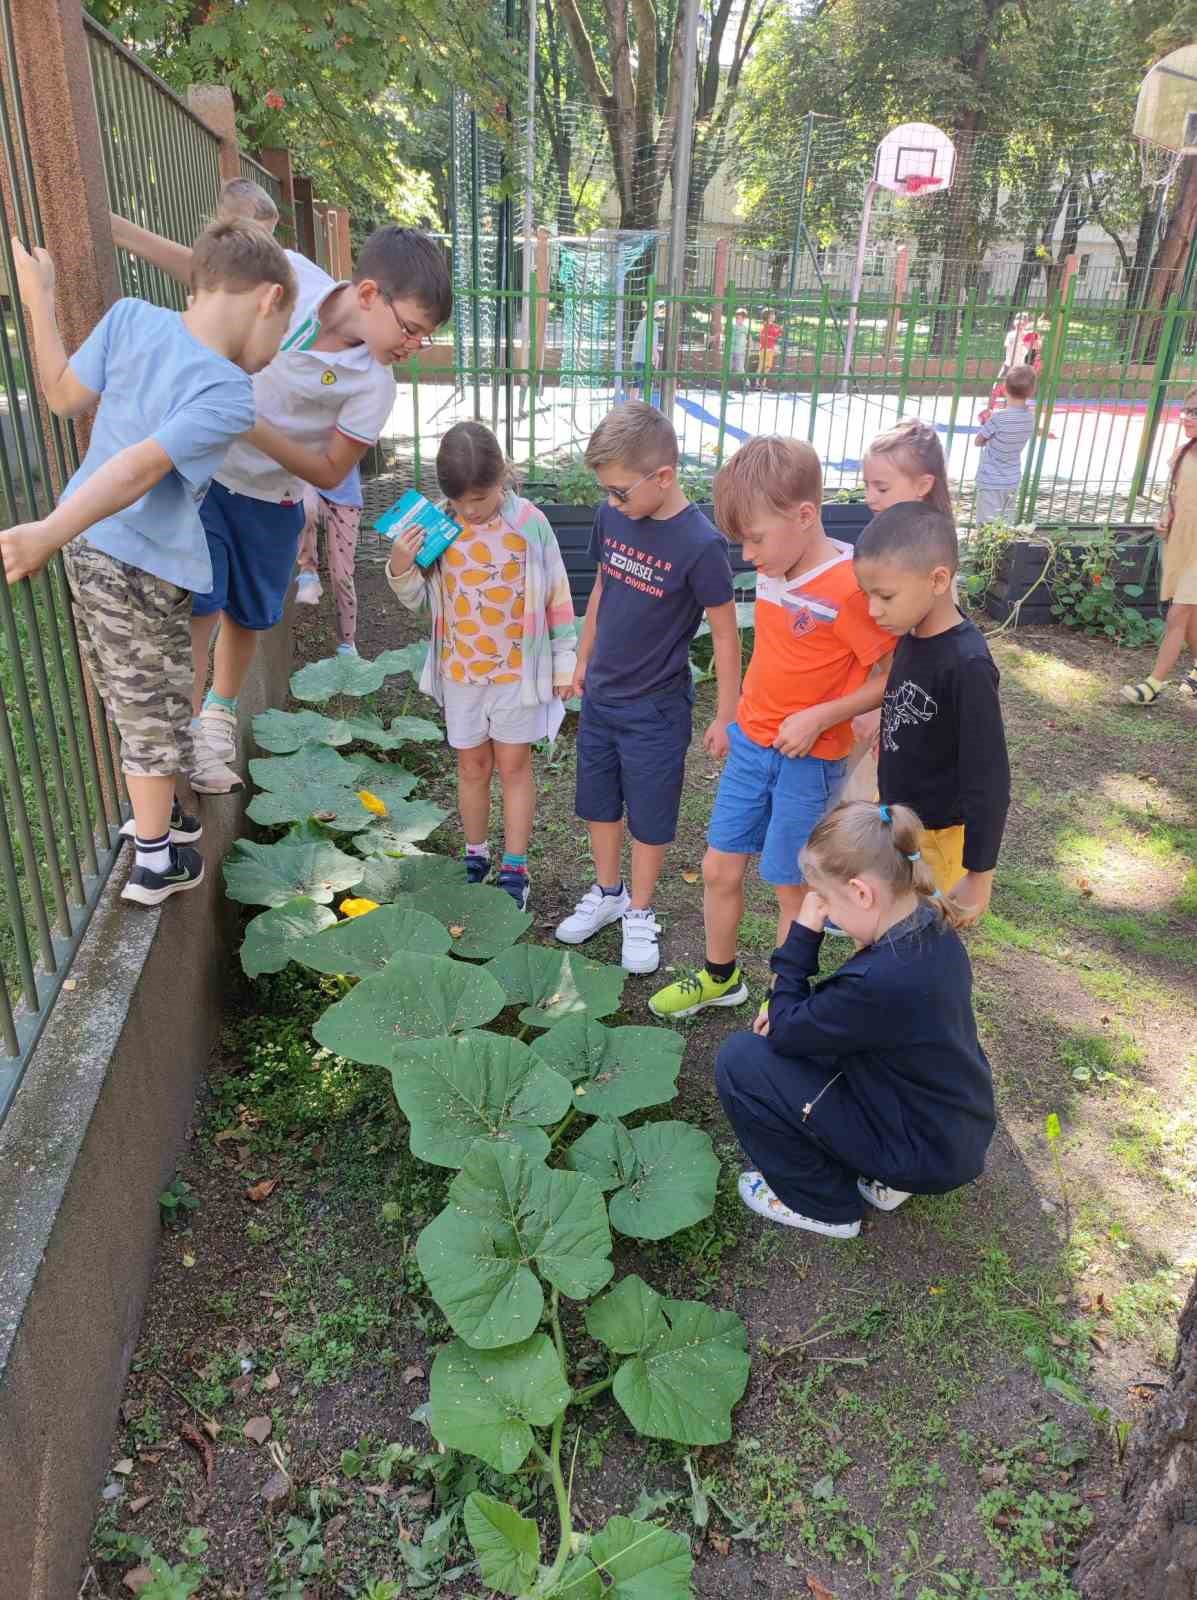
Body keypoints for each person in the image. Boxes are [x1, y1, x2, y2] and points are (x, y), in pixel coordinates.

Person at [0, 222, 295, 904]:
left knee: (134, 695)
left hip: (86, 546)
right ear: (267, 298)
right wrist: (43, 533)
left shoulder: (130, 317)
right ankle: (155, 861)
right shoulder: (227, 390)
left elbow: (62, 396)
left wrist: (37, 299)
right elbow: (139, 469)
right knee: (157, 710)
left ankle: (167, 819)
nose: (272, 354)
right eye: (281, 335)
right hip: (139, 563)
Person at [113, 216, 452, 793]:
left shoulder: (374, 384)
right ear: (370, 294)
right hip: (207, 474)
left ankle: (220, 712)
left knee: (247, 615)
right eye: (412, 329)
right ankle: (189, 732)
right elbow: (209, 276)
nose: (415, 347)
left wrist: (245, 419)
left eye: (425, 336)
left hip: (275, 496)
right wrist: (118, 230)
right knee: (201, 604)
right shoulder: (290, 276)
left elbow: (328, 470)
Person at [648, 437, 894, 1021]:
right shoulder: (775, 568)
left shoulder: (849, 585)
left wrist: (819, 717)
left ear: (804, 516)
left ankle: (784, 1001)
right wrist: (731, 716)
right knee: (717, 867)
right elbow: (775, 657)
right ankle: (720, 976)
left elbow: (888, 678)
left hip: (810, 761)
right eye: (743, 542)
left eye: (756, 539)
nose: (749, 554)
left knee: (792, 887)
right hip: (752, 749)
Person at [714, 800, 995, 1238]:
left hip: (921, 1151)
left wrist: (802, 938)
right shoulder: (932, 921)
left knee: (741, 1059)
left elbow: (785, 1029)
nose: (821, 909)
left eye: (824, 899)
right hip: (954, 1126)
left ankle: (823, 1205)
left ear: (863, 893)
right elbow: (836, 1023)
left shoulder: (876, 981)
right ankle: (887, 1175)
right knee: (822, 1050)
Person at [555, 402, 739, 975]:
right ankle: (607, 894)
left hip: (657, 708)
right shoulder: (614, 518)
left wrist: (727, 712)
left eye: (619, 491)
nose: (611, 502)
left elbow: (728, 635)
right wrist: (582, 656)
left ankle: (639, 908)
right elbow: (604, 589)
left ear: (663, 476)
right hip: (603, 697)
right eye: (607, 491)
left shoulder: (700, 543)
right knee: (599, 802)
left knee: (651, 814)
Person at [386, 421, 576, 909]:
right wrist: (401, 563)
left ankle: (514, 866)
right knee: (472, 766)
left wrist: (564, 661)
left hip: (518, 673)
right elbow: (417, 602)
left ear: (504, 477)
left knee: (514, 766)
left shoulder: (530, 523)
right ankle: (476, 855)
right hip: (461, 674)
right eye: (462, 502)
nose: (472, 510)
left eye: (481, 498)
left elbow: (557, 593)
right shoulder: (435, 528)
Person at [853, 501, 1010, 922]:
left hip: (939, 836)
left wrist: (979, 873)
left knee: (925, 938)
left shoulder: (968, 664)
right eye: (867, 595)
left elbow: (988, 776)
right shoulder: (912, 633)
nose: (873, 610)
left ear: (938, 579)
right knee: (888, 926)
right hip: (897, 819)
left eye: (885, 596)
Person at [847, 417, 957, 801]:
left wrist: (882, 708)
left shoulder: (924, 566)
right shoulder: (894, 541)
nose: (869, 497)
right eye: (867, 485)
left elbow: (922, 654)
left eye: (881, 487)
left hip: (895, 709)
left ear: (923, 485)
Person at [1122, 388, 1197, 705]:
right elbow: (1176, 497)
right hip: (1181, 543)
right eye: (1187, 410)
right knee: (1191, 621)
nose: (1187, 417)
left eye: (1195, 412)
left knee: (1177, 614)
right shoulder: (1181, 453)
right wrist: (1166, 518)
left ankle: (1153, 685)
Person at [294, 467, 362, 656]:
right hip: (308, 481)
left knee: (342, 577)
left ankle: (348, 643)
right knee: (305, 507)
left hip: (346, 494)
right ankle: (308, 570)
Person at [973, 364, 1036, 528]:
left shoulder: (998, 418)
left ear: (1004, 389)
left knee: (986, 526)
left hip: (990, 480)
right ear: (1031, 391)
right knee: (1005, 527)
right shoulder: (1030, 419)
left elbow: (978, 441)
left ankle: (985, 552)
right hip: (1012, 480)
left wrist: (986, 424)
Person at [628, 304, 664, 400]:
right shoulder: (652, 324)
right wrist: (656, 357)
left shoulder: (642, 322)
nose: (658, 312)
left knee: (636, 384)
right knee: (647, 385)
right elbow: (651, 342)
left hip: (636, 357)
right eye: (656, 310)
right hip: (645, 359)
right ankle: (645, 407)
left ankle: (632, 407)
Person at [756, 310, 782, 387]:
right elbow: (764, 337)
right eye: (772, 315)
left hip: (770, 349)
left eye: (774, 315)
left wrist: (779, 330)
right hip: (764, 349)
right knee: (761, 365)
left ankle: (763, 383)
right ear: (768, 317)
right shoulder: (765, 325)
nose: (774, 316)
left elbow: (776, 335)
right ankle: (757, 383)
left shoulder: (774, 326)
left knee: (768, 367)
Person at [729, 308, 749, 377]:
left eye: (739, 318)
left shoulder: (745, 328)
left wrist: (749, 349)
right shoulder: (732, 327)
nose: (737, 320)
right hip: (730, 350)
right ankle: (724, 383)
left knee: (740, 369)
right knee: (728, 367)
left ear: (743, 319)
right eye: (736, 318)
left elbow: (749, 338)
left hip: (740, 351)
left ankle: (746, 383)